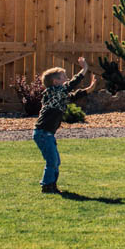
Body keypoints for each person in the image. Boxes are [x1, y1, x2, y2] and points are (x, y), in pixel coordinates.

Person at [34, 57, 99, 194]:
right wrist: (84, 69)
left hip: (47, 134)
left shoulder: (59, 95)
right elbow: (71, 85)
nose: (67, 78)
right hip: (43, 133)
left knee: (55, 161)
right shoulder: (54, 92)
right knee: (52, 161)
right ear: (55, 81)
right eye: (63, 77)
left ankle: (52, 185)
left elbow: (73, 96)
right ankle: (47, 186)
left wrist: (89, 89)